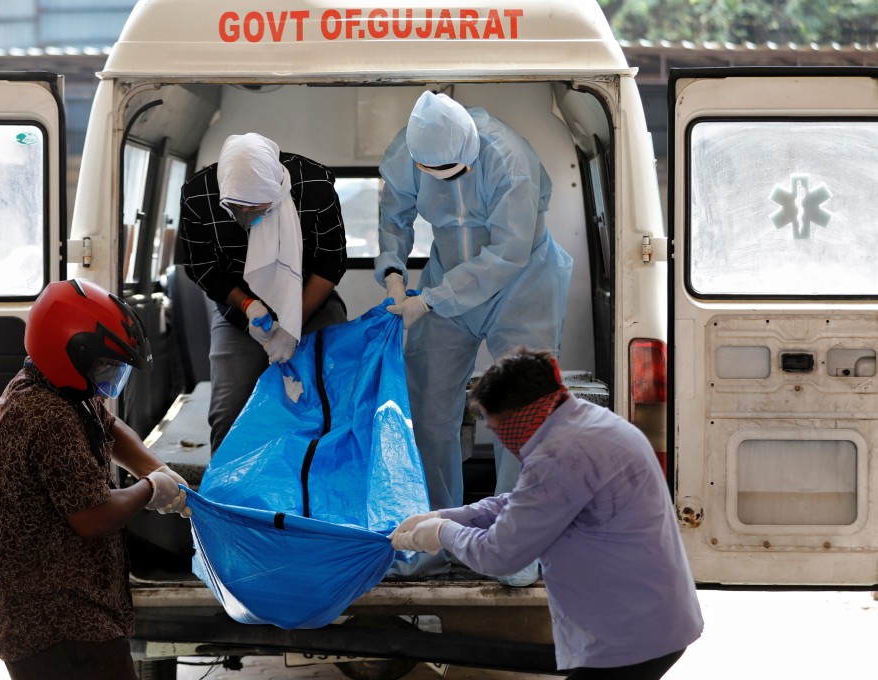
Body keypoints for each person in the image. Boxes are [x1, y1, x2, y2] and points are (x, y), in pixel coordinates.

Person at [389, 348, 704, 679]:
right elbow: (526, 500)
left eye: (496, 427)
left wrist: (441, 533)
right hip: (648, 616)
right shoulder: (582, 421)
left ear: (519, 415)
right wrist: (451, 515)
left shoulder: (560, 455)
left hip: (631, 632)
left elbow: (499, 554)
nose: (498, 437)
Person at [0, 279, 192, 680]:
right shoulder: (46, 414)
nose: (110, 376)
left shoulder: (57, 387)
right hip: (55, 622)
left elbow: (107, 424)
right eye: (106, 365)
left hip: (68, 609)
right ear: (70, 352)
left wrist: (156, 469)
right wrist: (150, 490)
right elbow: (92, 517)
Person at [376, 91, 574, 516]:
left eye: (452, 171)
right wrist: (393, 271)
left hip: (523, 284)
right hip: (448, 272)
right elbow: (394, 215)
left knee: (525, 413)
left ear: (471, 150)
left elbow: (507, 254)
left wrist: (430, 300)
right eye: (434, 173)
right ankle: (432, 535)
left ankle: (517, 545)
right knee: (426, 408)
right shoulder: (410, 150)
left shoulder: (508, 157)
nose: (444, 179)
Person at [179, 132, 348, 452]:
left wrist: (291, 324)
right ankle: (231, 497)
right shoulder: (197, 195)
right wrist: (248, 305)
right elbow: (201, 267)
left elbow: (331, 261)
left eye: (258, 208)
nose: (249, 218)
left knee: (325, 405)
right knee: (228, 416)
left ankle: (319, 492)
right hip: (239, 309)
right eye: (238, 209)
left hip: (310, 297)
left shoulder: (314, 187)